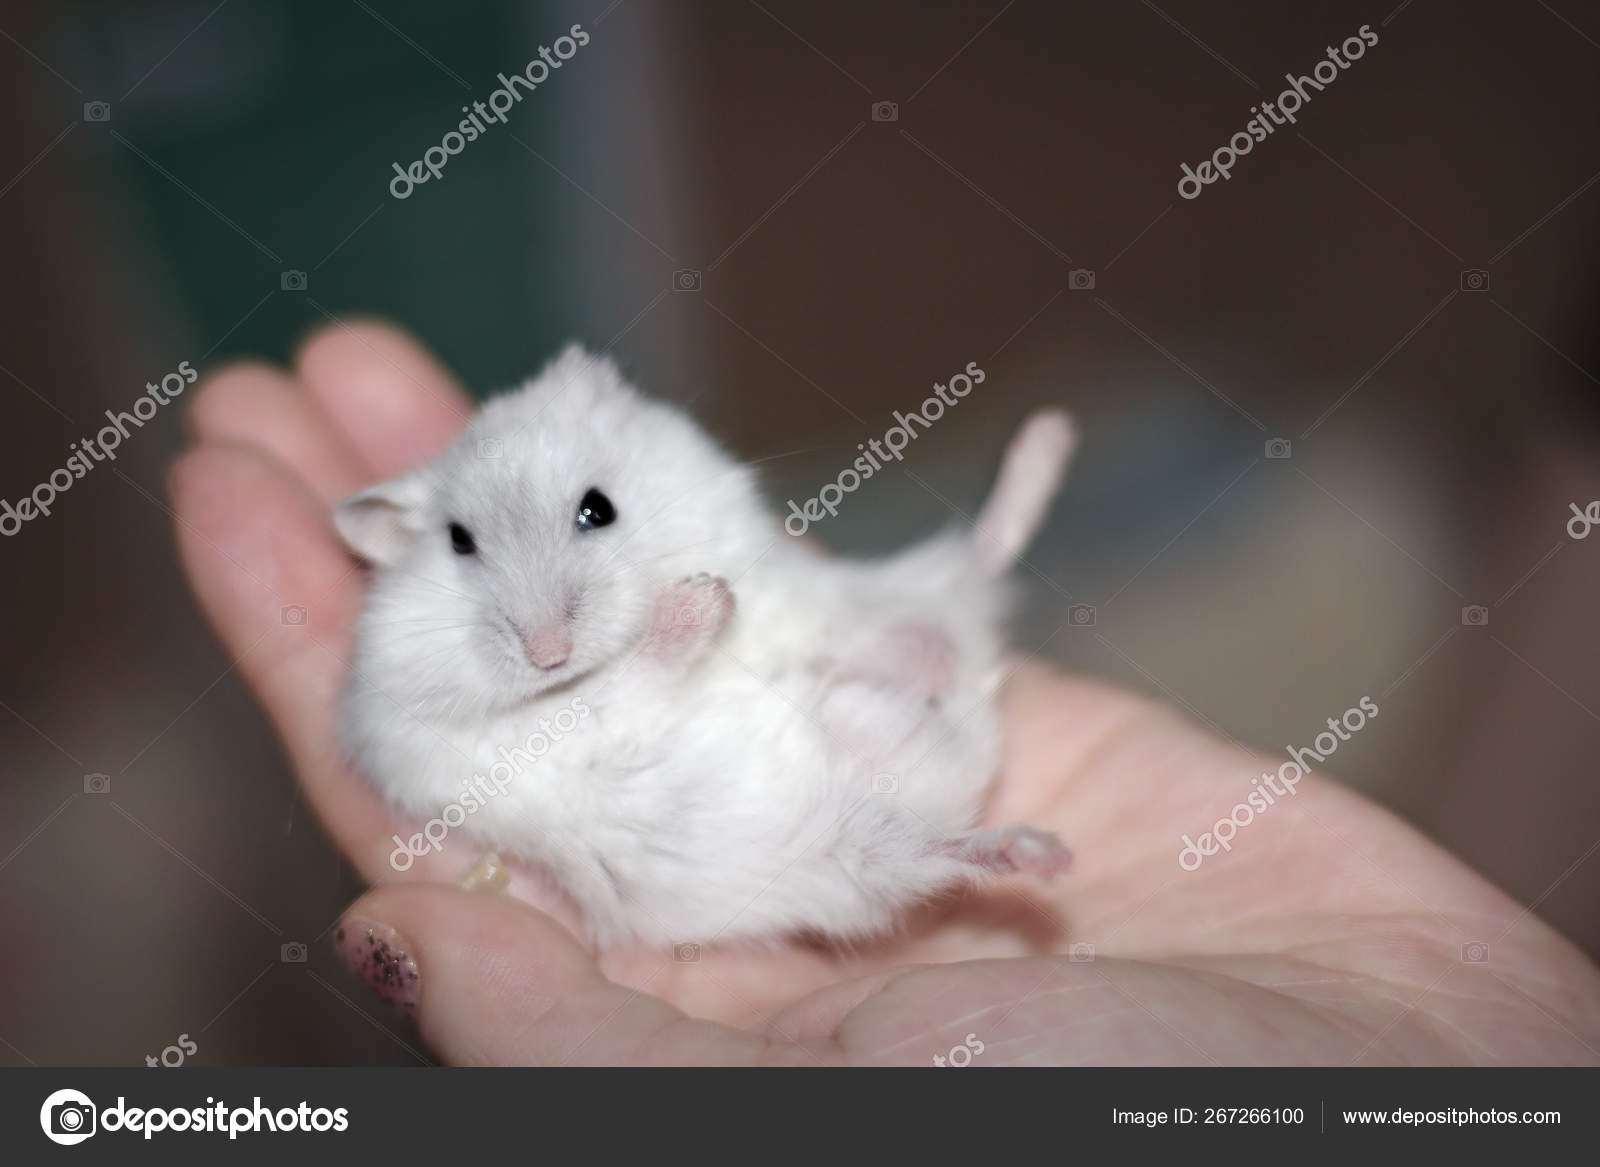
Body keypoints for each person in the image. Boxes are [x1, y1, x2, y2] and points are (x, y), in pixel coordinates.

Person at [170, 320, 1600, 1065]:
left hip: (815, 669)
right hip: (675, 813)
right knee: (775, 841)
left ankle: (983, 551)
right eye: (477, 551)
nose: (544, 625)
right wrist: (648, 666)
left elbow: (762, 572)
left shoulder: (664, 479)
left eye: (592, 525)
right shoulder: (415, 675)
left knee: (879, 614)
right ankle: (936, 828)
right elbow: (441, 746)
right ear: (405, 532)